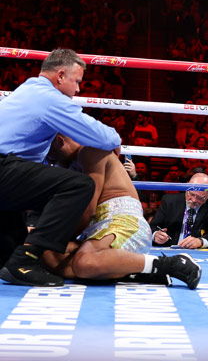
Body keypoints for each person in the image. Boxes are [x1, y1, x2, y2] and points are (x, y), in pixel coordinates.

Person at [0, 48, 121, 287]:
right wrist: (116, 140)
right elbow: (101, 135)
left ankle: (15, 261)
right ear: (61, 76)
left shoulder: (27, 90)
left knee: (9, 252)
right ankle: (27, 259)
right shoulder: (48, 98)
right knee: (78, 185)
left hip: (8, 175)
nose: (78, 89)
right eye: (76, 81)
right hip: (4, 169)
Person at [42, 134, 202, 289]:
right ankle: (132, 272)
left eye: (49, 153)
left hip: (124, 224)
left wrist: (58, 237)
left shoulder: (89, 151)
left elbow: (88, 211)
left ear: (59, 141)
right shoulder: (70, 164)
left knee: (84, 263)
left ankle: (169, 264)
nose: (48, 159)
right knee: (48, 255)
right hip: (97, 231)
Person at [151, 173, 208, 249]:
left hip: (196, 253)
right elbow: (152, 227)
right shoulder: (169, 201)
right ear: (186, 186)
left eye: (200, 198)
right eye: (191, 194)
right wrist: (155, 235)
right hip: (169, 250)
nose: (194, 200)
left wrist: (200, 241)